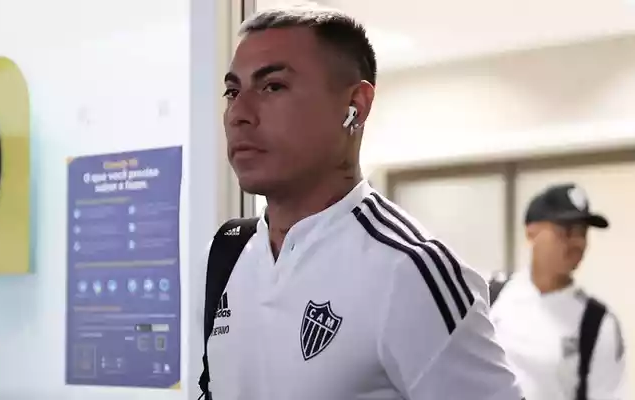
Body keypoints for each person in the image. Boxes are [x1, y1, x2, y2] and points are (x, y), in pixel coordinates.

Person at [200, 4, 524, 400]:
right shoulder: (227, 255)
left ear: (356, 105)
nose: (239, 114)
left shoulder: (409, 270)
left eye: (273, 87)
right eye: (233, 92)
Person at [489, 183, 626, 400]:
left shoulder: (597, 322)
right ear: (531, 232)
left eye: (582, 233)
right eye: (567, 230)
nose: (577, 242)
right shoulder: (491, 296)